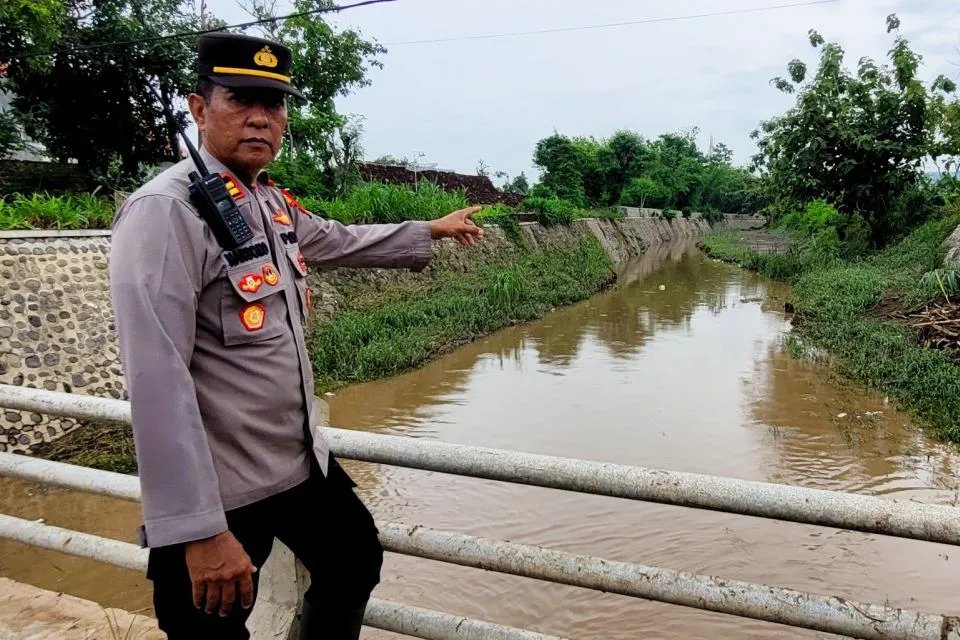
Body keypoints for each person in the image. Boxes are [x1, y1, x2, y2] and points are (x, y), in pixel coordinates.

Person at [109, 30, 483, 639]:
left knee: (355, 559)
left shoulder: (265, 201)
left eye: (274, 103)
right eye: (240, 100)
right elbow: (156, 382)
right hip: (223, 486)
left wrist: (430, 229)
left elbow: (335, 239)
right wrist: (199, 530)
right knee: (207, 625)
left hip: (295, 462)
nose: (261, 118)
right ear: (200, 107)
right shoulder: (167, 211)